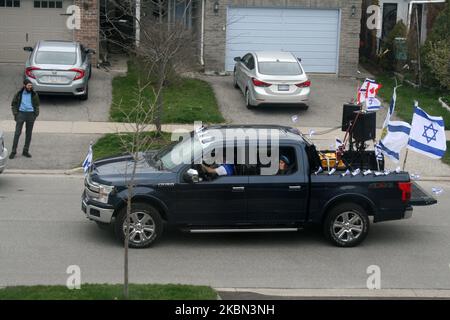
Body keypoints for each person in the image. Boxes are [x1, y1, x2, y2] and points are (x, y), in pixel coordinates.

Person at [9, 79, 40, 159]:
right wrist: (16, 114)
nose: (30, 87)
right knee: (17, 133)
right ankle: (13, 151)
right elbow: (13, 104)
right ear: (24, 85)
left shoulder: (34, 94)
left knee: (28, 134)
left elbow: (37, 105)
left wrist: (35, 114)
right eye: (28, 86)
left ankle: (25, 151)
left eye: (31, 86)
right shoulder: (19, 94)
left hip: (31, 115)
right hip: (21, 114)